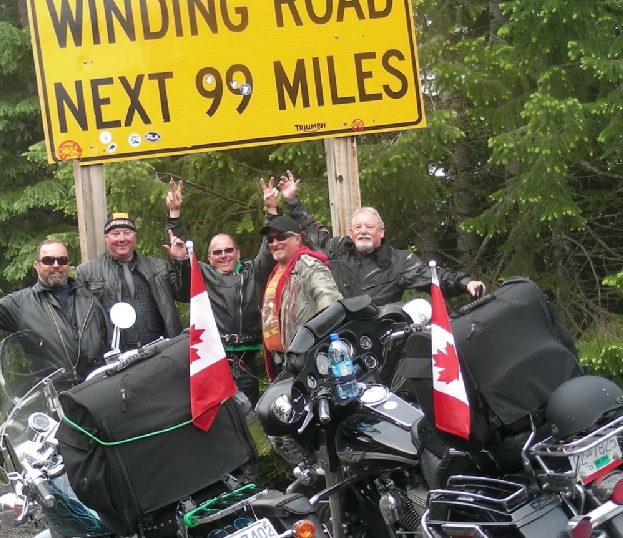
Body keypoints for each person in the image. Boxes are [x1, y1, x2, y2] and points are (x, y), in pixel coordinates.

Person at [267, 171, 486, 304]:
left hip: (381, 338)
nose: (363, 231)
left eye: (369, 227)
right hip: (340, 337)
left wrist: (465, 283)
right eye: (358, 227)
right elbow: (310, 229)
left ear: (381, 232)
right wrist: (291, 200)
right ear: (351, 232)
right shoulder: (336, 249)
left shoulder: (398, 261)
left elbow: (432, 276)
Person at [165, 181, 276, 406]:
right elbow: (181, 251)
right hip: (213, 359)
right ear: (209, 257)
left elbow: (269, 246)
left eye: (228, 250)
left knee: (249, 416)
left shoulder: (253, 271)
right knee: (217, 415)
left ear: (238, 253)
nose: (223, 256)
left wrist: (271, 210)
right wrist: (174, 214)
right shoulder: (202, 275)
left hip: (246, 362)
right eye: (217, 252)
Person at [0, 239, 108, 383]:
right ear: (37, 266)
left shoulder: (87, 297)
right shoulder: (22, 303)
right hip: (54, 393)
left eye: (62, 260)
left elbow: (108, 335)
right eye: (48, 260)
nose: (56, 265)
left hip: (94, 387)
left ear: (68, 264)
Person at [76, 212, 186, 350]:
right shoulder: (87, 272)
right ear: (106, 238)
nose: (122, 239)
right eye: (115, 234)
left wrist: (181, 262)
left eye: (127, 233)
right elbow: (82, 321)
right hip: (115, 353)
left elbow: (185, 294)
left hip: (160, 350)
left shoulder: (159, 268)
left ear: (135, 236)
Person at [259, 213, 342, 377]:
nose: (275, 243)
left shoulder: (310, 266)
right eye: (270, 239)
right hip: (281, 362)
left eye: (281, 237)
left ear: (297, 239)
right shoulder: (276, 271)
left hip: (305, 362)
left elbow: (331, 306)